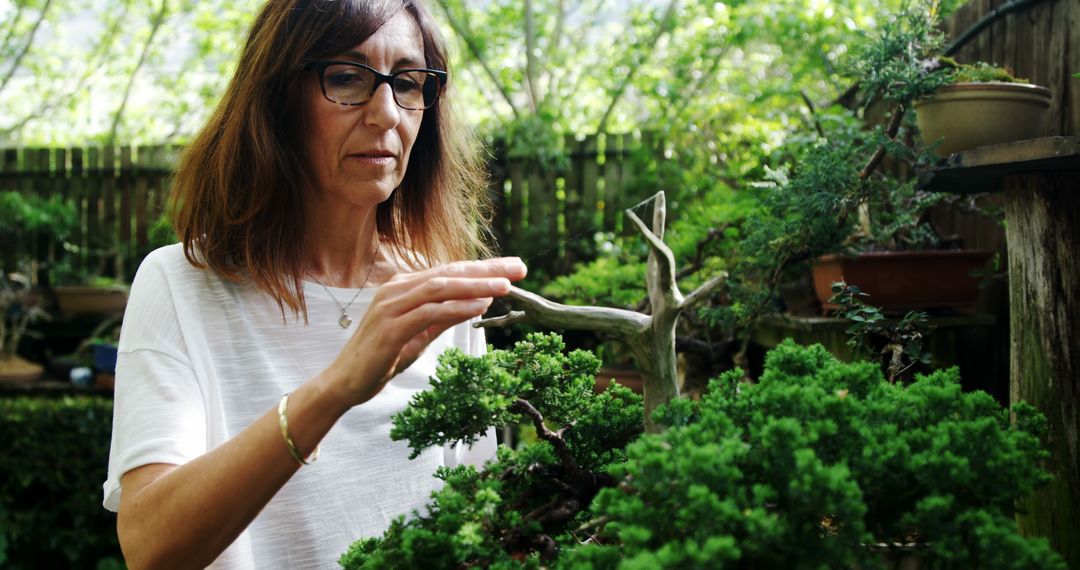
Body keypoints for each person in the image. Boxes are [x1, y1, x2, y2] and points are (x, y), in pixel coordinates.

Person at [102, 1, 526, 567]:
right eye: (346, 78)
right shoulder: (181, 284)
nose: (385, 114)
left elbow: (477, 527)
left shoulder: (438, 298)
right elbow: (150, 546)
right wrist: (336, 388)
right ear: (276, 98)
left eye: (408, 82)